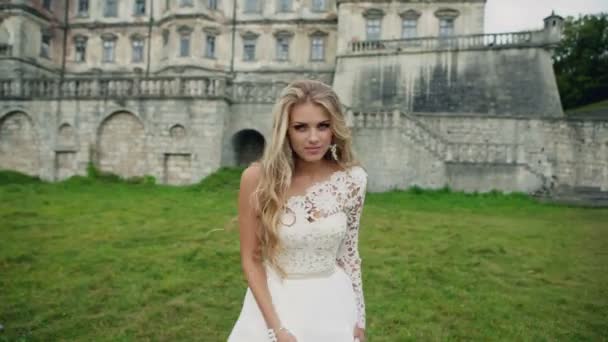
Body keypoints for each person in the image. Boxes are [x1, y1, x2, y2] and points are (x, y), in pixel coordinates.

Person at [228, 79, 368, 342]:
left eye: (323, 126)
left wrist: (360, 317)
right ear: (286, 131)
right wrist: (276, 330)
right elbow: (252, 259)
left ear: (334, 128)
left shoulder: (353, 179)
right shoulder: (257, 179)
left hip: (334, 303)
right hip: (276, 304)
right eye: (301, 127)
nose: (313, 138)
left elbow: (350, 254)